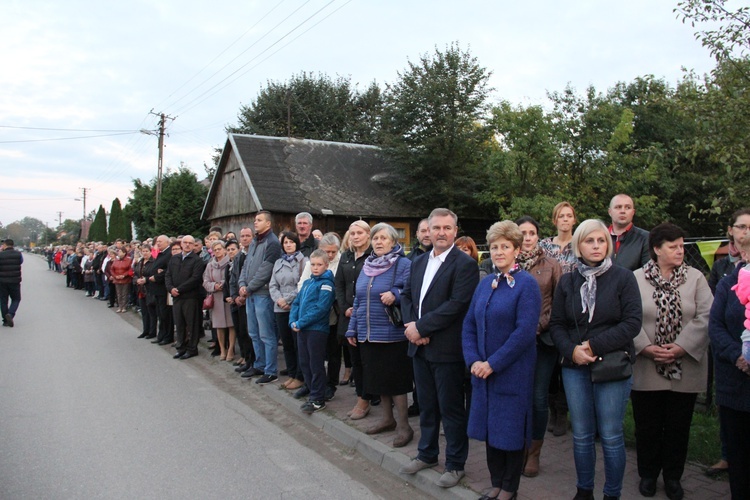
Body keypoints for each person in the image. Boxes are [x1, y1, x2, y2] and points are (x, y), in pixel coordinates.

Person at [549, 219, 643, 500]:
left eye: (601, 240)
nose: (596, 246)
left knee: (612, 436)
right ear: (578, 245)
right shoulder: (568, 280)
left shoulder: (624, 278)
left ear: (609, 245)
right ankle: (584, 490)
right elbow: (557, 324)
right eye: (589, 241)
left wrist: (593, 345)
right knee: (581, 435)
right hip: (575, 367)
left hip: (612, 365)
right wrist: (572, 351)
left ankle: (612, 493)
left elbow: (632, 323)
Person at [399, 208, 480, 489]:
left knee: (451, 409)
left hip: (447, 350)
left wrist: (422, 328)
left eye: (447, 228)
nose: (442, 233)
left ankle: (456, 464)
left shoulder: (465, 264)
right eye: (437, 228)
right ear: (429, 231)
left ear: (455, 231)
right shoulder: (419, 262)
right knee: (427, 406)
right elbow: (407, 295)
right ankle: (427, 454)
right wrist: (412, 325)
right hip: (419, 347)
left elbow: (457, 305)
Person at [631, 223, 713, 499]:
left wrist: (680, 347)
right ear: (657, 249)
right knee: (648, 426)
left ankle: (673, 477)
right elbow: (628, 318)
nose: (680, 251)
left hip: (685, 366)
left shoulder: (696, 278)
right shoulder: (635, 279)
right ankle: (648, 475)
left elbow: (706, 316)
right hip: (646, 365)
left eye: (681, 246)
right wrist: (645, 348)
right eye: (673, 246)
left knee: (678, 427)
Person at [463, 221, 542, 500]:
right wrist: (473, 360)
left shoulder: (526, 285)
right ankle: (495, 482)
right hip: (483, 373)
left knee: (509, 432)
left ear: (516, 250)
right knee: (490, 430)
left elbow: (523, 333)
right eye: (494, 247)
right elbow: (469, 324)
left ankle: (509, 488)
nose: (498, 252)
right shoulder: (485, 284)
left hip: (511, 372)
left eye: (504, 246)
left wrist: (492, 363)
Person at [346, 223, 414, 447]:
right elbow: (358, 300)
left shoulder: (403, 264)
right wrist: (352, 328)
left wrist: (395, 293)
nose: (378, 242)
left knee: (396, 382)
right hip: (368, 333)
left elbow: (411, 290)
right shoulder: (367, 265)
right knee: (378, 379)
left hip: (392, 335)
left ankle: (404, 427)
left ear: (394, 242)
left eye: (384, 238)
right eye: (376, 238)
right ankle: (387, 419)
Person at [514, 216, 562, 478]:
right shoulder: (508, 265)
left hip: (542, 341)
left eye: (532, 233)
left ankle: (534, 451)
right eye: (523, 233)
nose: (528, 237)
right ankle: (518, 446)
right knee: (519, 394)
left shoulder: (552, 265)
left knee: (538, 396)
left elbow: (558, 302)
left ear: (538, 236)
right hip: (515, 342)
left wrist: (537, 326)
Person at [709, 229, 750, 500]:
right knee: (740, 456)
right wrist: (740, 355)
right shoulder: (729, 283)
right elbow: (716, 325)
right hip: (735, 382)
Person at [540, 201, 578, 437]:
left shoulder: (581, 243)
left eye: (569, 215)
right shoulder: (544, 246)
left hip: (573, 309)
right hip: (548, 310)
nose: (565, 219)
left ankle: (562, 411)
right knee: (550, 364)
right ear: (554, 220)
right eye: (560, 216)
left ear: (574, 219)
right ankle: (552, 409)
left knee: (567, 362)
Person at [289, 249, 336, 414]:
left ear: (326, 265)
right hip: (302, 329)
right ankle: (311, 390)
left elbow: (321, 309)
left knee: (316, 364)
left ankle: (318, 398)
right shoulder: (308, 283)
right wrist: (292, 321)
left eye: (319, 265)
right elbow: (296, 303)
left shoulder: (327, 284)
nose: (315, 268)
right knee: (304, 362)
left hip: (317, 330)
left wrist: (301, 322)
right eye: (313, 264)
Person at [336, 220, 374, 417]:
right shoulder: (346, 257)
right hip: (349, 315)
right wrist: (345, 308)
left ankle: (369, 397)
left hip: (367, 315)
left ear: (368, 234)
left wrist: (357, 309)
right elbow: (339, 285)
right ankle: (362, 397)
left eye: (359, 233)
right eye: (352, 233)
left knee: (368, 359)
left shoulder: (373, 256)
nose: (356, 236)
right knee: (355, 359)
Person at [239, 211, 282, 384]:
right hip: (250, 294)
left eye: (259, 220)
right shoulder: (255, 241)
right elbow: (246, 266)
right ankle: (260, 364)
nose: (255, 222)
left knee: (266, 334)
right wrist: (242, 284)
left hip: (262, 295)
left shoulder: (272, 243)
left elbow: (266, 270)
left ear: (268, 224)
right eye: (255, 220)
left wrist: (248, 288)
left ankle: (270, 370)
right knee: (254, 333)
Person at [269, 231, 305, 391]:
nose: (288, 245)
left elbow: (303, 284)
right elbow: (272, 285)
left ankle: (300, 376)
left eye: (291, 242)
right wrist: (279, 300)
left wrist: (288, 300)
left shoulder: (304, 261)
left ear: (297, 243)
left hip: (295, 307)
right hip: (280, 308)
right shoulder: (278, 263)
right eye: (285, 242)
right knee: (287, 344)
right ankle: (291, 374)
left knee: (298, 344)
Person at [165, 235, 205, 360]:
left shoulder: (197, 260)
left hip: (190, 297)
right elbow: (168, 275)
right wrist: (171, 288)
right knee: (179, 323)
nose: (187, 245)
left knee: (191, 324)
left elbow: (195, 278)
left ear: (194, 245)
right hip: (176, 297)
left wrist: (179, 289)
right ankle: (181, 347)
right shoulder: (174, 259)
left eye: (190, 243)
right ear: (181, 244)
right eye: (185, 243)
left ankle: (192, 348)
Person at [203, 240, 236, 361]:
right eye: (215, 250)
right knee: (219, 325)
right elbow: (205, 281)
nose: (217, 251)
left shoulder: (230, 262)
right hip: (216, 298)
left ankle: (231, 349)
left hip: (227, 296)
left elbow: (231, 277)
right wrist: (214, 286)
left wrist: (222, 284)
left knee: (231, 325)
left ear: (224, 249)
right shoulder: (210, 265)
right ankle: (222, 349)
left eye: (219, 249)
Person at [231, 227, 255, 372]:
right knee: (241, 331)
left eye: (248, 235)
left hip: (250, 298)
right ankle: (246, 359)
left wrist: (246, 294)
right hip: (238, 300)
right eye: (242, 236)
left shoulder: (254, 254)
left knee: (250, 332)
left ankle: (253, 361)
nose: (245, 238)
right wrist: (235, 296)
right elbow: (234, 278)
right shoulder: (239, 256)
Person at [607, 194, 650, 271]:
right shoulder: (599, 238)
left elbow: (647, 272)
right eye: (618, 207)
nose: (623, 211)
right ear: (610, 212)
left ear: (633, 212)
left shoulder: (645, 238)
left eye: (628, 207)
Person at [134, 244, 157, 339]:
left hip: (150, 290)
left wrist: (146, 279)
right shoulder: (140, 262)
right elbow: (135, 274)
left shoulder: (154, 262)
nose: (145, 253)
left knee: (151, 312)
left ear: (150, 251)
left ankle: (152, 332)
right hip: (141, 290)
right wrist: (136, 280)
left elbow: (154, 275)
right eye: (143, 251)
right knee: (144, 312)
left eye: (147, 251)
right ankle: (145, 330)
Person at [0, 239, 23, 327]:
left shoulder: (1, 255)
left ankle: (5, 320)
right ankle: (10, 313)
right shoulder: (18, 254)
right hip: (15, 280)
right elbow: (21, 262)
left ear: (5, 245)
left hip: (2, 281)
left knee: (3, 300)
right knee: (16, 299)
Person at [110, 247, 133, 313]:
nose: (119, 253)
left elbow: (130, 269)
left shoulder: (128, 260)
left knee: (124, 293)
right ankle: (120, 306)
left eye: (120, 252)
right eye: (118, 252)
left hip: (125, 279)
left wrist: (124, 275)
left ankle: (124, 306)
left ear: (124, 253)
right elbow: (112, 269)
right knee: (118, 293)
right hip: (117, 279)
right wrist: (115, 276)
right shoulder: (116, 260)